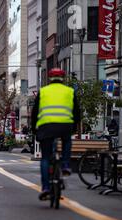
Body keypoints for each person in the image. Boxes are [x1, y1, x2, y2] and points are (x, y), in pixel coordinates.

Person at [31, 68, 81, 201]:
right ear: (63, 79)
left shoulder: (43, 92)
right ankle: (65, 165)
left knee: (46, 158)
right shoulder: (70, 91)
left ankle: (46, 187)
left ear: (49, 78)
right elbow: (77, 113)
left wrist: (34, 130)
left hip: (46, 127)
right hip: (65, 126)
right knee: (67, 141)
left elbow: (34, 113)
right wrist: (74, 127)